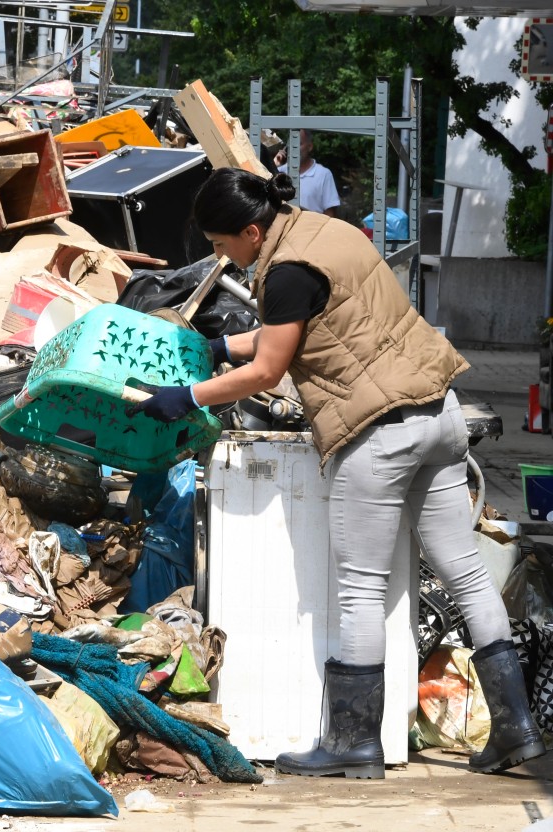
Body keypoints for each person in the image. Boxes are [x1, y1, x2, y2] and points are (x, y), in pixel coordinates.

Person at [137, 167, 546, 779]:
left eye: (224, 245)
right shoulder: (329, 232)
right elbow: (311, 329)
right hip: (439, 413)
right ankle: (517, 729)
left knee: (360, 587)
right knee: (463, 569)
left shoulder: (285, 271)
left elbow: (269, 370)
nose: (223, 259)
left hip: (377, 431)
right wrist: (223, 347)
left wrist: (189, 395)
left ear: (251, 230)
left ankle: (352, 742)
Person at [275, 129, 341, 217]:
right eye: (291, 144)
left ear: (309, 147)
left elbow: (330, 213)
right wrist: (274, 165)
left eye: (299, 144)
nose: (294, 148)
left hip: (313, 228)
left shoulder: (323, 174)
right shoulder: (279, 172)